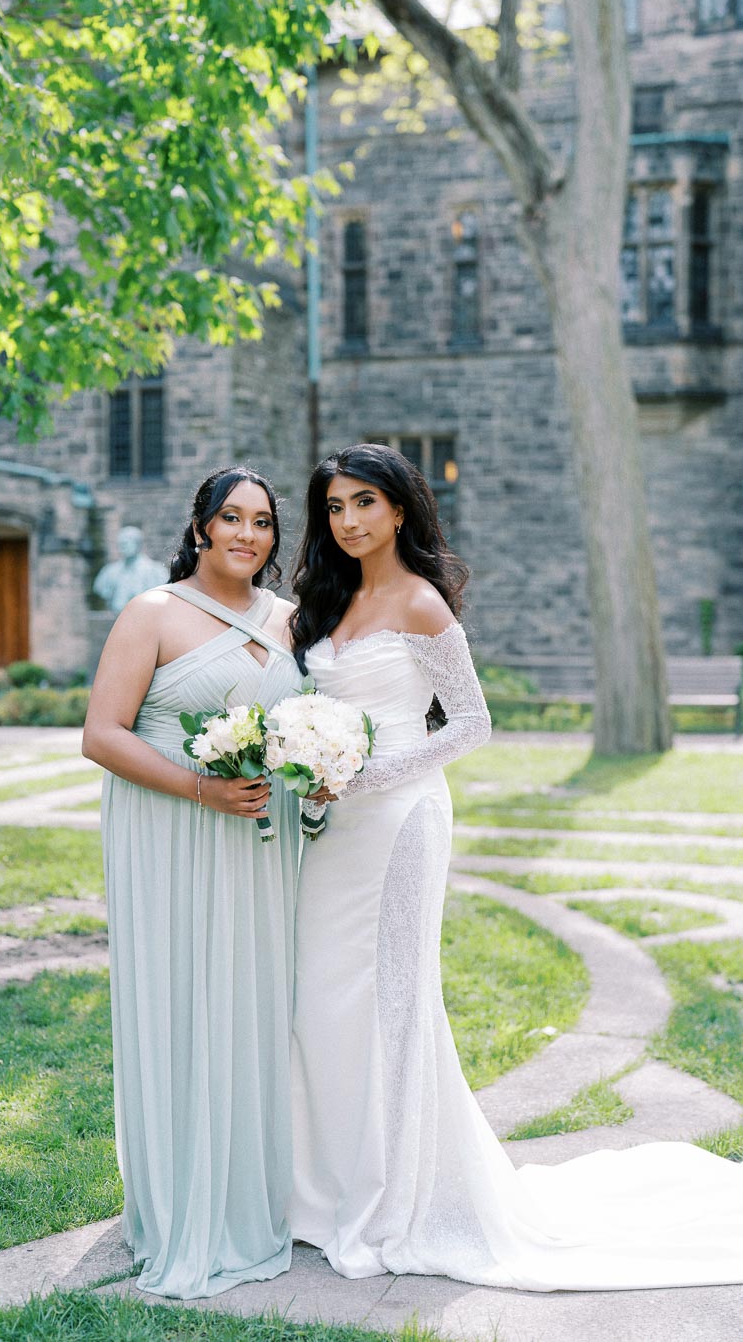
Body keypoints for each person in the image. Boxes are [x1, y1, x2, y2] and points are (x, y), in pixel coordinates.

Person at [287, 442, 743, 1291]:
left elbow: (470, 722)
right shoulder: (328, 598)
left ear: (399, 509)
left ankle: (401, 1195)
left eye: (364, 504)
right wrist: (311, 773)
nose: (348, 521)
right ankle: (324, 1188)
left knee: (393, 1000)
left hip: (403, 819)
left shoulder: (421, 603)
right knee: (321, 993)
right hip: (336, 830)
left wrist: (369, 774)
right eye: (335, 507)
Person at [82, 467, 302, 1299]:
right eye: (232, 518)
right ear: (201, 526)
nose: (248, 535)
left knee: (254, 1005)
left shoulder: (292, 622)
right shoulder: (152, 613)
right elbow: (102, 734)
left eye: (264, 522)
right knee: (183, 1000)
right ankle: (182, 1201)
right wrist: (200, 789)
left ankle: (255, 1187)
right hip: (173, 833)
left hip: (261, 846)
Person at [93, 525, 169, 613]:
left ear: (138, 544)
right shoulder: (109, 571)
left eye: (125, 543)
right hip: (117, 617)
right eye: (120, 544)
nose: (122, 548)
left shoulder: (156, 571)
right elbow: (100, 589)